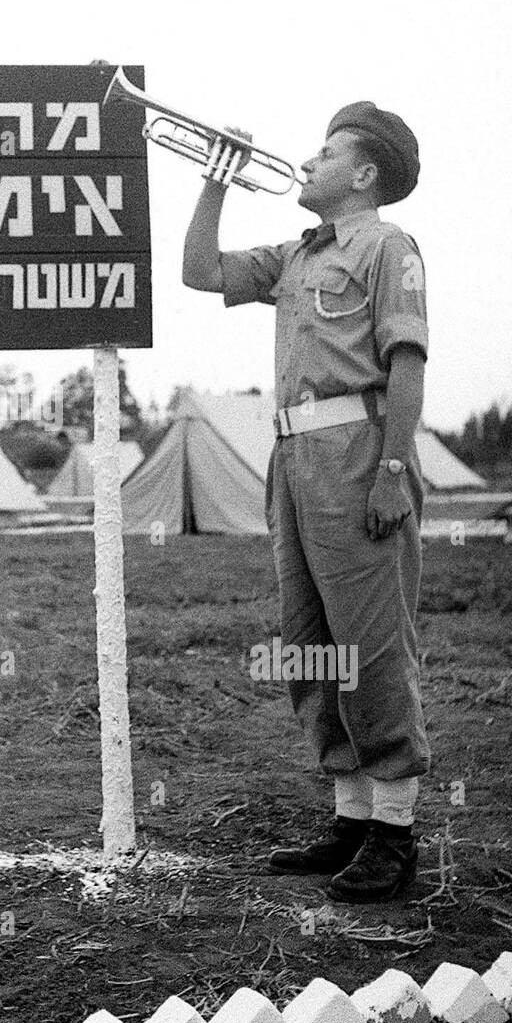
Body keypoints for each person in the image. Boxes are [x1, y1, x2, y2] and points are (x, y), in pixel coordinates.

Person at [182, 102, 428, 902]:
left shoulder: (388, 246)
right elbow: (201, 271)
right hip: (291, 459)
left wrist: (392, 467)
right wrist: (216, 179)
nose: (306, 161)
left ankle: (396, 833)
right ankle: (352, 820)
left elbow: (407, 362)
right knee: (311, 643)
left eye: (325, 153)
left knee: (373, 643)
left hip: (358, 452)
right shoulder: (298, 255)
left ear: (363, 175)